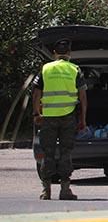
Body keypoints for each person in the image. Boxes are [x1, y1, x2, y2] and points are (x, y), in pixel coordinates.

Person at [32, 38, 87, 200]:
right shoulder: (75, 69)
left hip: (48, 118)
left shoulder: (45, 69)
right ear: (69, 53)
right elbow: (83, 97)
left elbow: (36, 93)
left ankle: (46, 190)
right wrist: (83, 119)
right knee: (65, 153)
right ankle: (65, 190)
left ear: (54, 53)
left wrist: (36, 113)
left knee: (47, 154)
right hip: (68, 117)